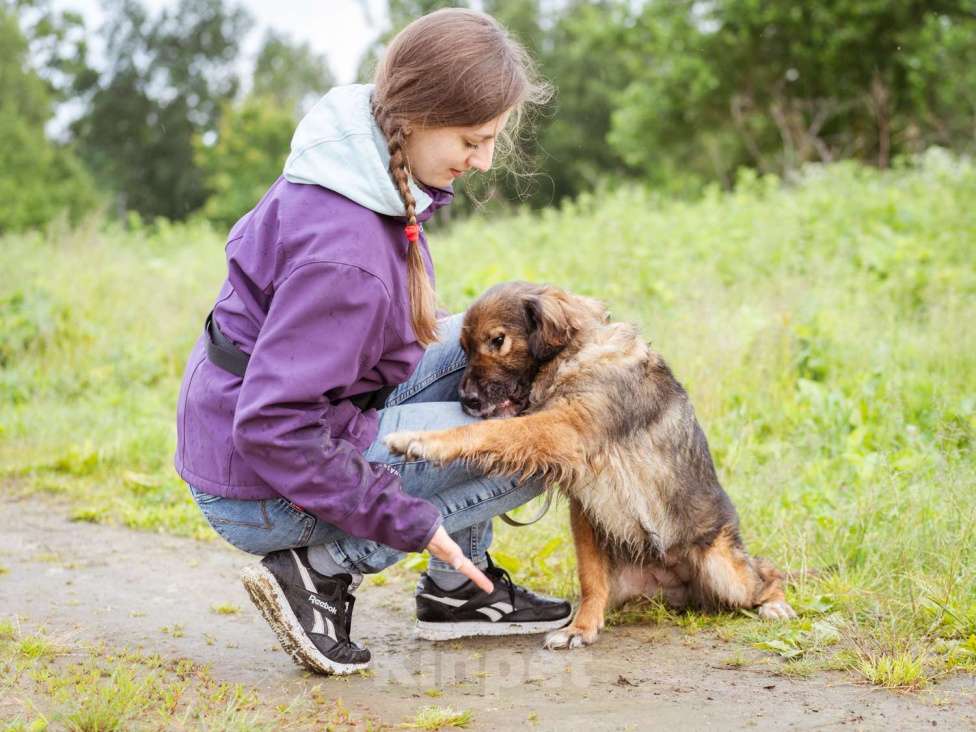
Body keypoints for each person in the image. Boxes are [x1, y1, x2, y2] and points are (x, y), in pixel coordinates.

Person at [174, 8, 570, 676]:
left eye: (494, 138)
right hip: (261, 485)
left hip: (261, 420)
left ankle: (457, 593)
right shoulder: (349, 256)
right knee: (541, 445)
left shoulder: (359, 154)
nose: (486, 159)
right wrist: (407, 522)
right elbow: (274, 426)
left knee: (496, 355)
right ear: (416, 116)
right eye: (473, 139)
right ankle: (319, 570)